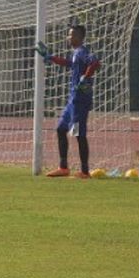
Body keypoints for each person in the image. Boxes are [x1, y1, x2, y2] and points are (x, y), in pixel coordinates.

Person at [35, 25, 101, 178]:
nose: (68, 37)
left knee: (78, 134)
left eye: (70, 35)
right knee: (61, 129)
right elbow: (68, 64)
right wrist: (50, 57)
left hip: (80, 101)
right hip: (73, 100)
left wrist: (86, 77)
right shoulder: (75, 54)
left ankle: (84, 171)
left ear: (78, 37)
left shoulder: (83, 52)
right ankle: (63, 167)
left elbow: (96, 63)